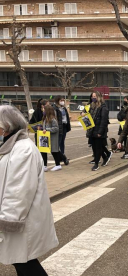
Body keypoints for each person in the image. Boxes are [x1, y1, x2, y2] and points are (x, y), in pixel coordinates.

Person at [0, 105, 58, 275]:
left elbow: (19, 192)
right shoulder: (14, 146)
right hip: (20, 219)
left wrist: (6, 221)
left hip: (20, 221)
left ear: (7, 126)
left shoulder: (23, 150)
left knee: (25, 264)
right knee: (22, 263)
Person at [86, 91, 110, 171]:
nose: (93, 98)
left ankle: (96, 164)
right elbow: (88, 117)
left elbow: (104, 121)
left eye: (95, 96)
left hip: (99, 130)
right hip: (92, 130)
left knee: (98, 148)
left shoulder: (103, 107)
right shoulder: (91, 106)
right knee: (94, 146)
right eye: (92, 96)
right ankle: (106, 157)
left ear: (99, 97)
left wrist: (100, 132)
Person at [40, 105, 63, 172]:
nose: (43, 111)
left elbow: (56, 128)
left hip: (52, 138)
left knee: (54, 152)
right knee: (44, 151)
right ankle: (44, 165)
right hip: (46, 138)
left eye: (44, 109)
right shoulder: (45, 119)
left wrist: (47, 130)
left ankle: (58, 165)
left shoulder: (53, 119)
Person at [51, 96, 70, 166]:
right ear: (57, 101)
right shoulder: (54, 108)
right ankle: (61, 157)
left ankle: (62, 154)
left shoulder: (63, 108)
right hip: (59, 126)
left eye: (63, 100)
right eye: (61, 100)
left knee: (62, 142)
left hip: (64, 126)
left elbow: (66, 117)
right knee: (57, 143)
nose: (63, 101)